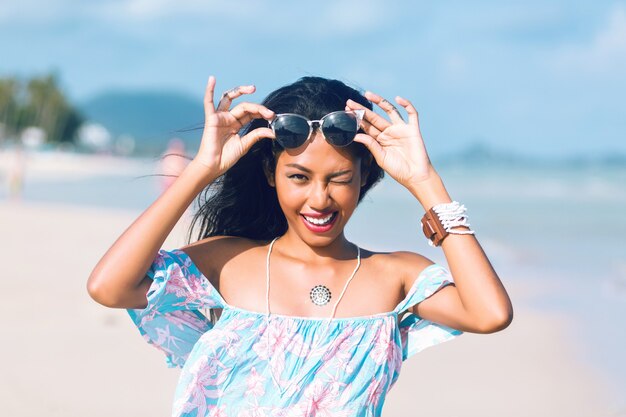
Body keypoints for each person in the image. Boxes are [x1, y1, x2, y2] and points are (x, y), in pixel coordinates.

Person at [87, 75, 513, 416]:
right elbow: (109, 287)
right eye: (299, 177)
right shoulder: (229, 261)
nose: (319, 199)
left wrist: (426, 182)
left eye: (339, 179)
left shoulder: (395, 275)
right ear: (271, 174)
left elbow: (489, 313)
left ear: (365, 176)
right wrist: (202, 169)